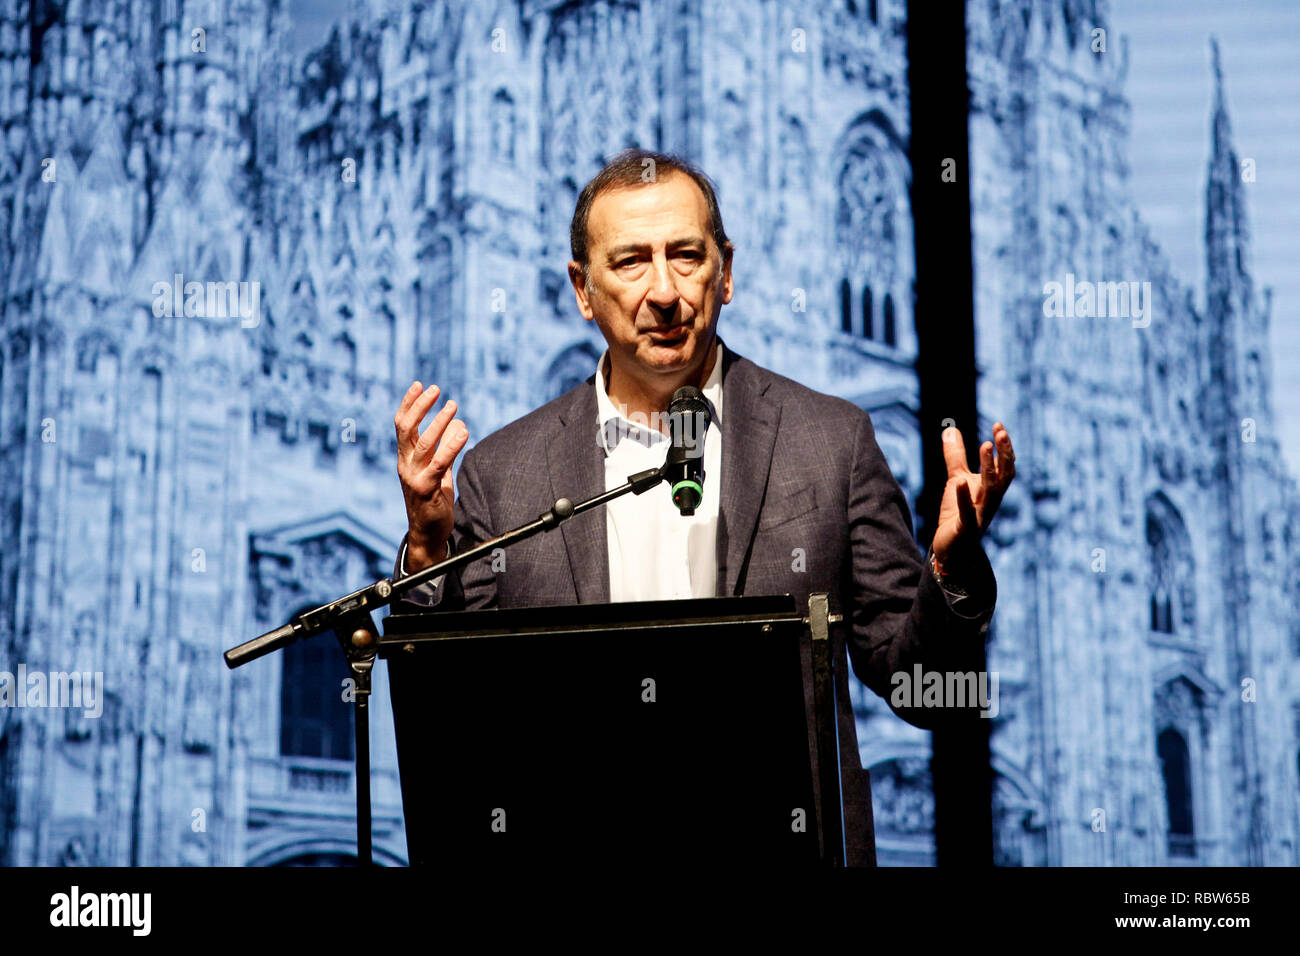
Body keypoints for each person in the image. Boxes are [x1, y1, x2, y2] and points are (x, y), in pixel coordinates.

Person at [389, 148, 1016, 865]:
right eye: (629, 263)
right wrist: (429, 552)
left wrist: (952, 570)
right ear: (582, 289)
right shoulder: (506, 472)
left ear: (726, 271)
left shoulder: (830, 442)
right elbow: (448, 719)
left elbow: (921, 689)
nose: (664, 291)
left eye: (686, 256)